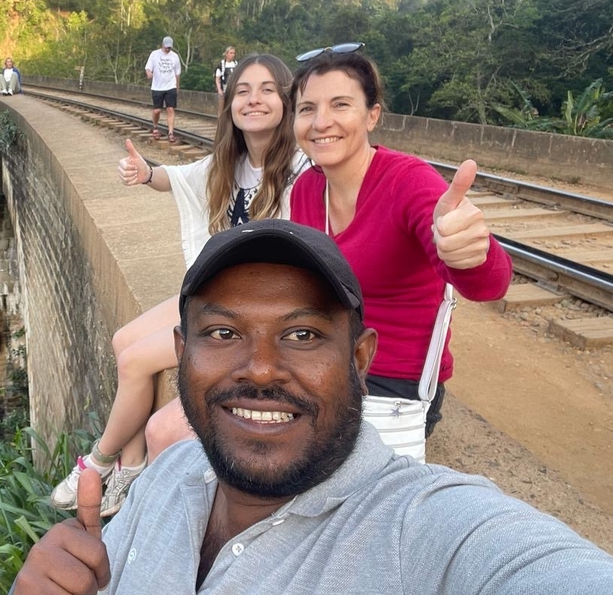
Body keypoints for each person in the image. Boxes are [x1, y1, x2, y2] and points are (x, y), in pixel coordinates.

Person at [13, 220, 613, 594]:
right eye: (223, 333)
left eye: (302, 335)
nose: (262, 367)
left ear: (360, 358)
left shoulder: (424, 529)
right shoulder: (167, 477)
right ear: (182, 353)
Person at [145, 44, 512, 457]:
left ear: (372, 114)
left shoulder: (408, 183)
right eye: (307, 109)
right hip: (318, 366)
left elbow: (489, 285)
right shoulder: (307, 189)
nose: (322, 123)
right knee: (185, 433)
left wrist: (468, 252)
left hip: (391, 387)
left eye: (340, 105)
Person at [49, 54, 309, 518]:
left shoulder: (302, 170)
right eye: (244, 91)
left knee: (134, 361)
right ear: (229, 104)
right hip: (218, 298)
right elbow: (181, 179)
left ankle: (98, 461)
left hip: (252, 317)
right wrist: (147, 173)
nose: (254, 99)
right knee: (122, 340)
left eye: (268, 89)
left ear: (288, 101)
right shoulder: (230, 163)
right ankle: (130, 467)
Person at [144, 36, 182, 142]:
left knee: (170, 109)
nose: (168, 49)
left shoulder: (175, 57)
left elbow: (177, 74)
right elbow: (148, 67)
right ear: (162, 45)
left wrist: (177, 87)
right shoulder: (154, 54)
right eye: (166, 47)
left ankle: (170, 132)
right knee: (157, 111)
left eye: (169, 47)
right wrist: (149, 73)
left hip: (170, 86)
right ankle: (155, 126)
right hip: (157, 87)